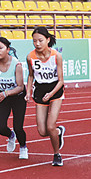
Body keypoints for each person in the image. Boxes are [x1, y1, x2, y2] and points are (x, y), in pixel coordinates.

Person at [0, 37, 29, 159]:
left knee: (18, 127)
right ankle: (11, 136)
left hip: (17, 97)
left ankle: (23, 147)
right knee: (0, 127)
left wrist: (6, 93)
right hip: (1, 96)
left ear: (7, 49)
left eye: (1, 48)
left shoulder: (16, 65)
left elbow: (20, 87)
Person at [25, 27, 66, 166]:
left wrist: (51, 94)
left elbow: (61, 81)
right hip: (40, 91)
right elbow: (31, 75)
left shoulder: (56, 56)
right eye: (34, 41)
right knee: (42, 131)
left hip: (55, 90)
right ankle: (58, 132)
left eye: (40, 40)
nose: (37, 44)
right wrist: (28, 91)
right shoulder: (30, 57)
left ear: (48, 40)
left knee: (50, 126)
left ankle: (57, 154)